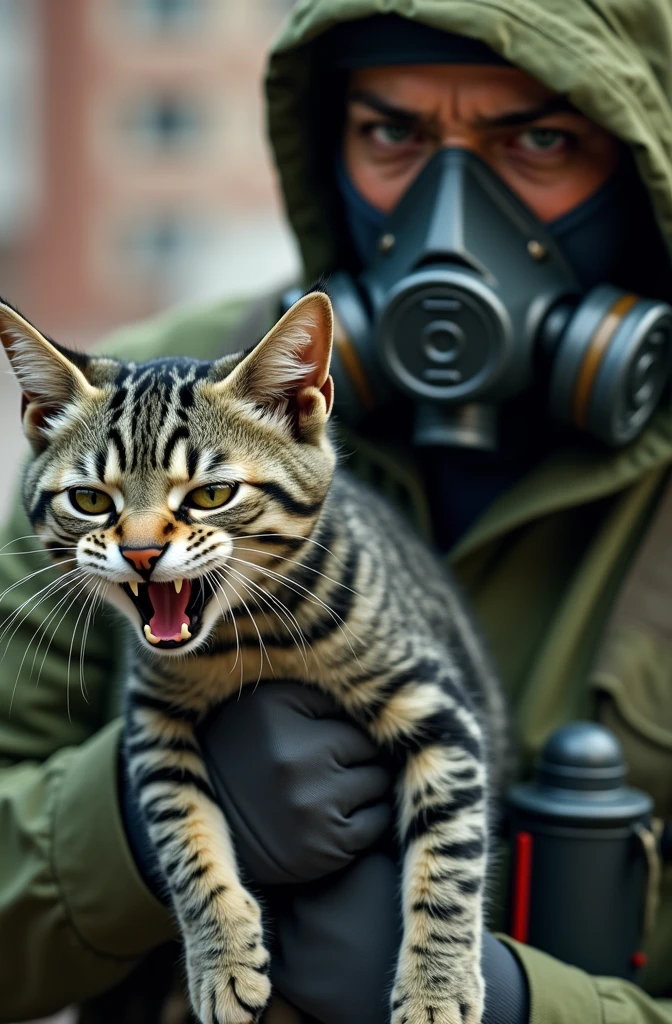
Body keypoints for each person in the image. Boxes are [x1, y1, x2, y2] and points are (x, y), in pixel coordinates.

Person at [2, 2, 672, 1023]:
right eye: (393, 132)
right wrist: (130, 833)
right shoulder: (116, 414)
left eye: (540, 138)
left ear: (639, 158)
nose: (454, 207)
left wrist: (522, 1005)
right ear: (329, 147)